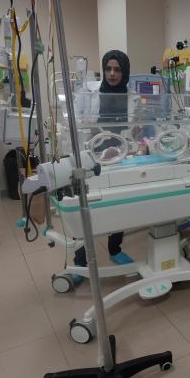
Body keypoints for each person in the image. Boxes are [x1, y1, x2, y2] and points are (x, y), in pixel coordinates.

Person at [72, 50, 135, 279]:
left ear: (125, 71)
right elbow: (75, 120)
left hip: (119, 154)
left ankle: (114, 249)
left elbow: (135, 128)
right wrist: (83, 122)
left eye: (117, 69)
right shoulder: (89, 93)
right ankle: (80, 260)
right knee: (83, 206)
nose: (112, 73)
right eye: (108, 68)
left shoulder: (132, 97)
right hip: (91, 154)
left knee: (118, 202)